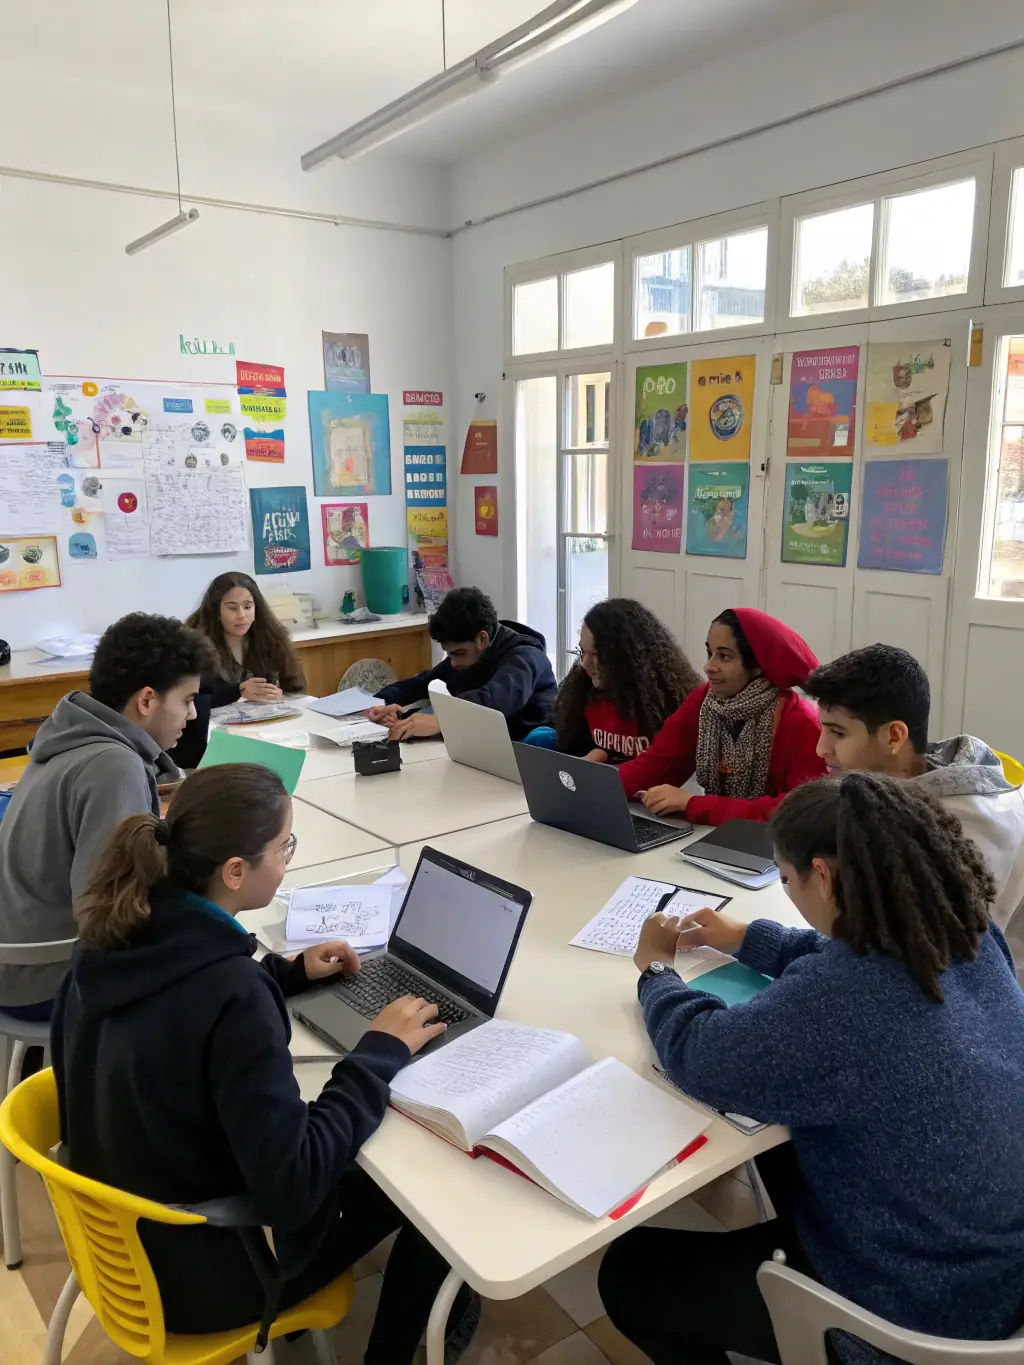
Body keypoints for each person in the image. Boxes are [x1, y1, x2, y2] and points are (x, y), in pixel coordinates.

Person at [54, 764, 478, 1364]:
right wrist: (376, 1054)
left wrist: (286, 973)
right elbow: (293, 1185)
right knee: (431, 1189)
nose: (288, 859)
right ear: (235, 872)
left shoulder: (108, 936)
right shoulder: (231, 995)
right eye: (284, 847)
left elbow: (180, 1008)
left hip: (118, 1248)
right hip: (206, 1277)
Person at [599, 773, 1024, 1364]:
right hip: (998, 1273)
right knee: (782, 1145)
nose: (788, 889)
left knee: (627, 1273)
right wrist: (750, 938)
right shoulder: (964, 932)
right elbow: (847, 951)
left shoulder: (846, 1001)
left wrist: (655, 974)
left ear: (821, 875)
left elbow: (702, 1053)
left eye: (787, 878)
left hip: (911, 1314)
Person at [0, 613, 212, 1018]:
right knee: (219, 967)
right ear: (147, 700)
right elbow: (111, 914)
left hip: (17, 958)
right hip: (45, 977)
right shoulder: (114, 766)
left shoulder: (71, 735)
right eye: (187, 701)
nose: (193, 716)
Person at [804, 643, 1024, 973]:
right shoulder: (897, 789)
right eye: (823, 728)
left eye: (837, 732)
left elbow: (925, 961)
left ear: (894, 736)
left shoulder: (968, 826)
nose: (822, 748)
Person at [616, 607, 826, 825]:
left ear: (756, 666)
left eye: (724, 656)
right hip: (713, 834)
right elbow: (657, 764)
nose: (708, 666)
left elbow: (797, 811)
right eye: (710, 653)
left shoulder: (800, 723)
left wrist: (692, 804)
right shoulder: (704, 701)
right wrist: (593, 784)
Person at [369, 586, 557, 742]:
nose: (454, 662)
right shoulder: (470, 655)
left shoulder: (526, 656)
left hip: (529, 752)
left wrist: (442, 720)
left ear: (482, 639)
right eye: (449, 654)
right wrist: (380, 703)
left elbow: (494, 700)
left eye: (458, 653)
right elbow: (424, 681)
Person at [522, 598, 701, 761]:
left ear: (628, 655)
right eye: (582, 652)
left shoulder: (668, 700)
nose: (585, 663)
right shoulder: (582, 690)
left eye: (597, 655)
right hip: (595, 779)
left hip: (637, 787)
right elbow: (574, 744)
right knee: (541, 737)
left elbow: (662, 768)